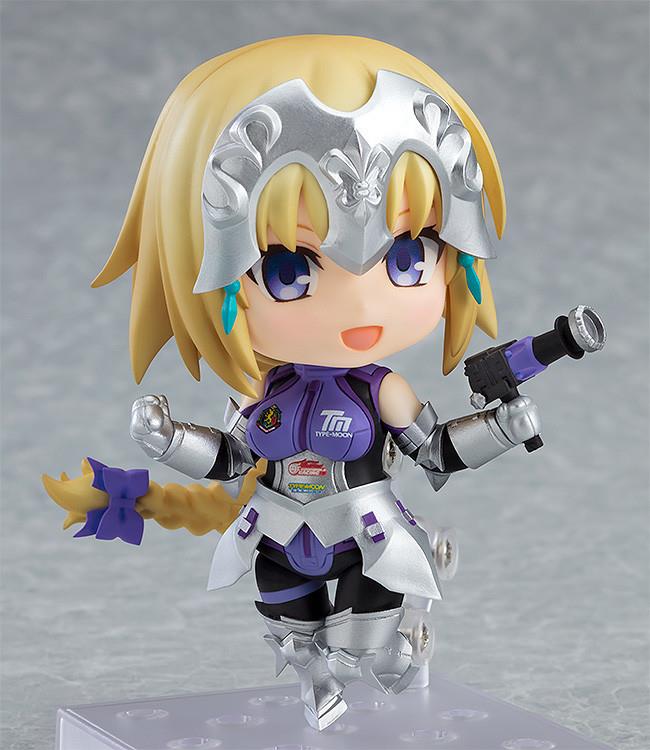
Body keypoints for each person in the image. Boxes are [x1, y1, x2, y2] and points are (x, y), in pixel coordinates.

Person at [47, 36, 540, 730]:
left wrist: (501, 429)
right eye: (289, 269)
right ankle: (322, 676)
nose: (361, 303)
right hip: (275, 536)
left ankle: (391, 652)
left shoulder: (382, 391)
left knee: (367, 649)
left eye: (407, 255)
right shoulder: (263, 392)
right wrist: (167, 440)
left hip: (368, 541)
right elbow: (230, 455)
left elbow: (434, 454)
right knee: (296, 640)